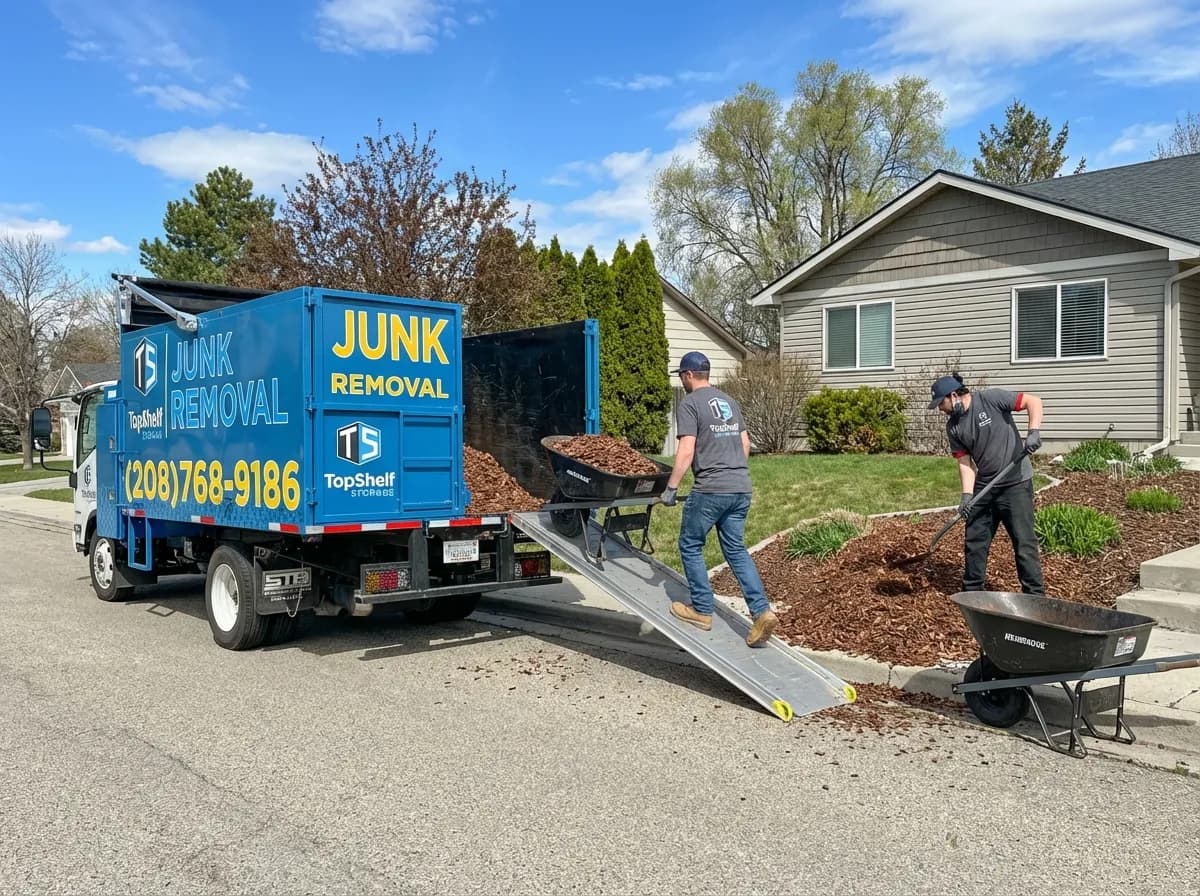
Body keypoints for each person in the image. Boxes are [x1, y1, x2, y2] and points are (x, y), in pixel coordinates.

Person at [660, 351, 778, 647]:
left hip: (711, 489)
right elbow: (745, 444)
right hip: (741, 487)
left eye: (681, 375)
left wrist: (671, 488)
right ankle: (761, 611)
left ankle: (701, 610)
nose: (682, 380)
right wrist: (732, 472)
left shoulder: (690, 403)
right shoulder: (729, 401)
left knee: (690, 544)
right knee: (736, 549)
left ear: (688, 375)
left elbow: (686, 450)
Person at [929, 372, 1045, 595]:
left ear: (953, 396)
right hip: (985, 486)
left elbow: (1033, 401)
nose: (941, 409)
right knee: (975, 539)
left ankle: (1035, 596)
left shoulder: (991, 399)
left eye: (941, 403)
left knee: (1024, 543)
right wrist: (966, 496)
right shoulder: (953, 427)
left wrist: (1033, 431)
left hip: (1016, 483)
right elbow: (965, 463)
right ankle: (972, 593)